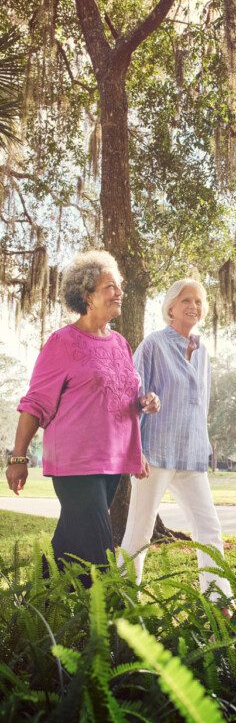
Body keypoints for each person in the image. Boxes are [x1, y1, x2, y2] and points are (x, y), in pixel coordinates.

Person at [5, 251, 160, 586]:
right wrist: (18, 457)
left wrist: (143, 403)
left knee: (71, 543)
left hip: (111, 464)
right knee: (100, 552)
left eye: (119, 286)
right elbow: (35, 403)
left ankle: (43, 606)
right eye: (109, 287)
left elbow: (121, 399)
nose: (119, 292)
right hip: (75, 463)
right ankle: (114, 626)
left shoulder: (119, 344)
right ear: (88, 296)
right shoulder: (62, 343)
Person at [120, 278, 231, 603]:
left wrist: (204, 444)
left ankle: (219, 604)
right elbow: (132, 394)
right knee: (139, 533)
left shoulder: (202, 351)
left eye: (198, 301)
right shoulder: (153, 344)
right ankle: (122, 605)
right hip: (154, 455)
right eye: (186, 301)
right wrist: (145, 404)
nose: (193, 307)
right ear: (170, 307)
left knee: (209, 529)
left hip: (191, 457)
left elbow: (203, 404)